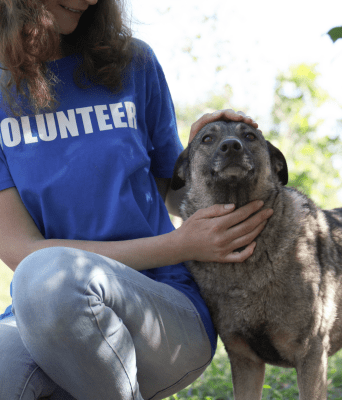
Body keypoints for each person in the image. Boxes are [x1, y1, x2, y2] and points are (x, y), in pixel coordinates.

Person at [0, 0, 272, 399]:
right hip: (43, 310)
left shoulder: (133, 62)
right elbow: (21, 251)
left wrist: (205, 149)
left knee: (48, 280)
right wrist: (176, 244)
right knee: (33, 303)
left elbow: (178, 195)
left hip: (162, 304)